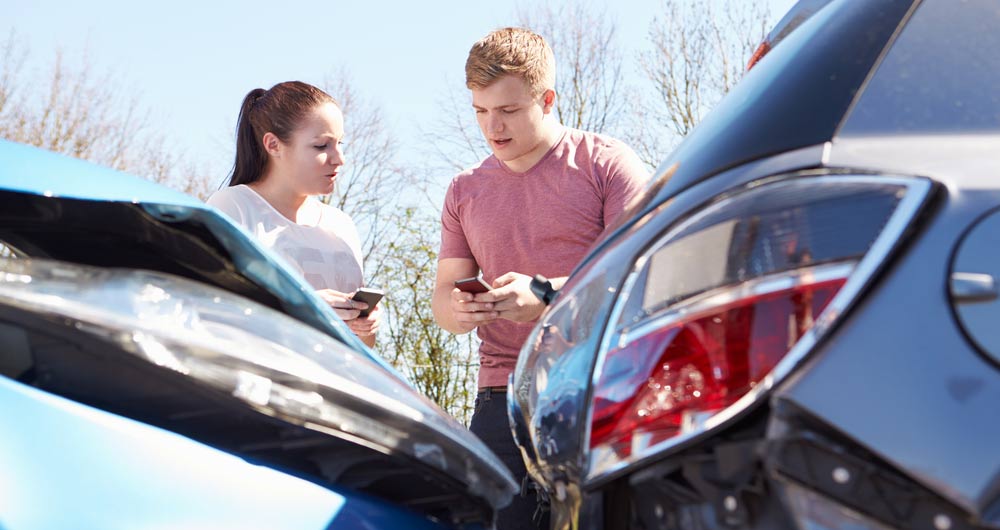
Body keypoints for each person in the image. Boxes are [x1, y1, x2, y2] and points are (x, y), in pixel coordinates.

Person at [432, 28, 651, 529]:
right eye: (480, 112)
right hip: (500, 397)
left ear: (547, 99)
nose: (493, 127)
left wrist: (550, 296)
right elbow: (443, 300)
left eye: (507, 111)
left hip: (599, 387)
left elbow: (641, 277)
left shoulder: (606, 164)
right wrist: (460, 309)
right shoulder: (463, 190)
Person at [207, 81, 380, 347]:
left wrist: (365, 326)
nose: (339, 158)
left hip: (336, 384)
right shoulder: (233, 207)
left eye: (340, 143)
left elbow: (363, 346)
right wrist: (304, 308)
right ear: (273, 144)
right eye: (322, 146)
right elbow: (212, 315)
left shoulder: (341, 225)